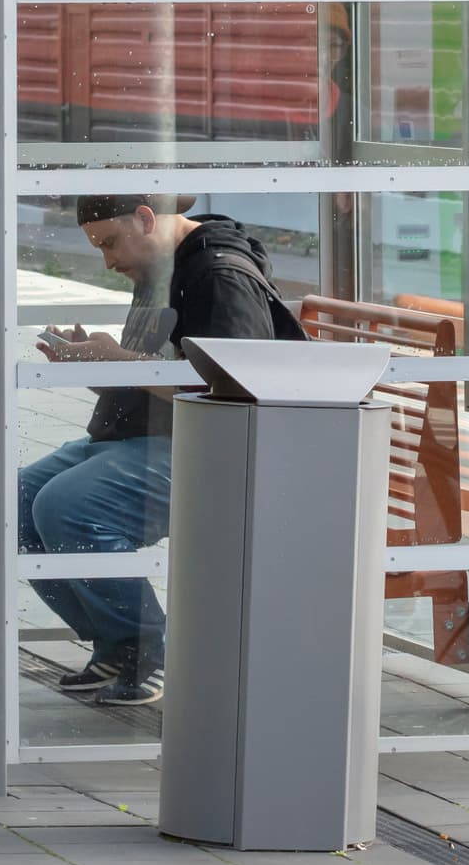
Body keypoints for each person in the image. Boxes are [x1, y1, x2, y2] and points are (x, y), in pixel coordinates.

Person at [19, 193, 294, 706]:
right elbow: (156, 374)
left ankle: (150, 648)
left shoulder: (220, 275)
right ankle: (122, 643)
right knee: (13, 502)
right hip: (148, 437)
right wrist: (98, 363)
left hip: (215, 448)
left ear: (145, 219)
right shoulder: (161, 266)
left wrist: (119, 360)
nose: (108, 261)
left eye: (110, 242)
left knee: (65, 507)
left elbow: (235, 385)